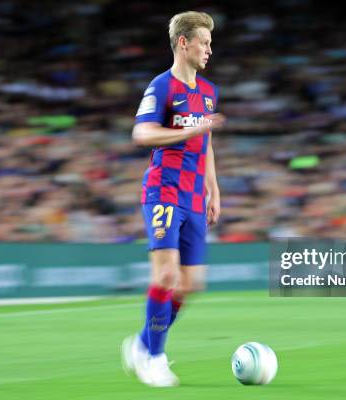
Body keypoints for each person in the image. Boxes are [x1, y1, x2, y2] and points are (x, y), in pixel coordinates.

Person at [121, 11, 226, 387]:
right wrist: (188, 131)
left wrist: (213, 188)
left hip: (195, 195)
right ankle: (153, 356)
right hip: (164, 190)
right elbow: (143, 134)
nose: (209, 50)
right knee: (166, 276)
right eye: (204, 42)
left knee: (190, 284)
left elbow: (207, 142)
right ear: (184, 43)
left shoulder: (209, 92)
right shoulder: (162, 86)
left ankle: (142, 343)